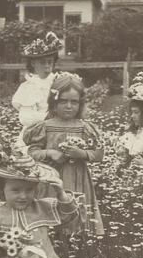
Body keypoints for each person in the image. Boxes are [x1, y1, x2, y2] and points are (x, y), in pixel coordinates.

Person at [24, 72, 104, 236]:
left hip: (77, 179)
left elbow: (99, 153)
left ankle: (77, 241)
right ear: (54, 103)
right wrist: (50, 153)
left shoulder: (84, 128)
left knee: (76, 214)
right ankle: (50, 238)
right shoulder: (45, 126)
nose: (69, 106)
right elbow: (31, 153)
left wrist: (81, 153)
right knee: (50, 212)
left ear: (80, 104)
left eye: (74, 102)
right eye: (63, 101)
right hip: (50, 181)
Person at [10, 32, 62, 145]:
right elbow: (25, 117)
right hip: (36, 133)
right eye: (42, 62)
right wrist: (49, 117)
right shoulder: (28, 87)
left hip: (60, 130)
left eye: (50, 62)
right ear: (33, 63)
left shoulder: (59, 81)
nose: (47, 66)